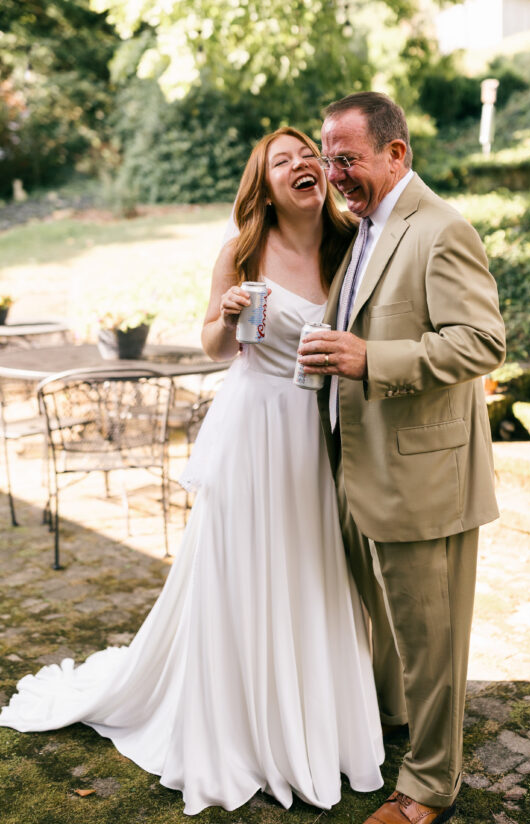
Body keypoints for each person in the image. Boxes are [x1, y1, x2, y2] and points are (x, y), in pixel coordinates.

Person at [0, 127, 385, 816]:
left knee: (312, 568)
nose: (301, 164)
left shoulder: (349, 245)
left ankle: (313, 724)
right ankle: (238, 727)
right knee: (240, 570)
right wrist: (229, 312)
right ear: (262, 184)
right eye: (282, 160)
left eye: (308, 156)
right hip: (251, 430)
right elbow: (212, 345)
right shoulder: (241, 251)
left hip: (317, 431)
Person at [298, 93, 506, 824]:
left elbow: (481, 342)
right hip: (361, 469)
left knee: (431, 644)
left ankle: (427, 787)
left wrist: (367, 358)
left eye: (346, 157)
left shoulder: (440, 228)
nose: (334, 172)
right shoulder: (362, 230)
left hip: (424, 477)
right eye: (328, 157)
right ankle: (394, 730)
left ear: (397, 154)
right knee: (387, 632)